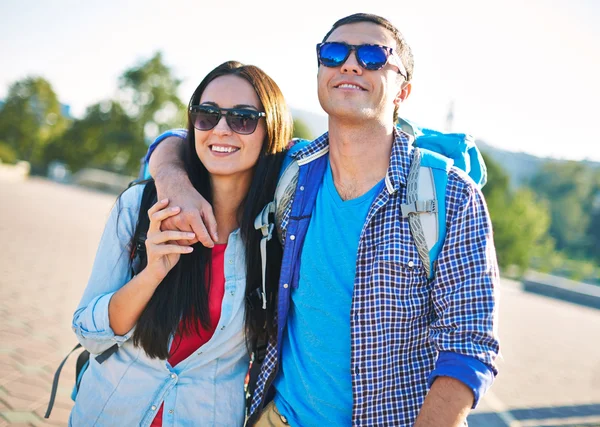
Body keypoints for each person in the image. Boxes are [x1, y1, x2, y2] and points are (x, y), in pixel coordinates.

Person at [146, 13, 500, 427]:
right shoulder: (292, 168)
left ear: (403, 90)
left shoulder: (449, 195)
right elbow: (185, 138)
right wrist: (173, 180)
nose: (350, 64)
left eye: (373, 55)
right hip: (279, 417)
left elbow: (469, 345)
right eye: (333, 53)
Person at [69, 60, 293, 426]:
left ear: (272, 130)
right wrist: (153, 272)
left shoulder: (277, 233)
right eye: (207, 115)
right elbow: (89, 333)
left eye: (242, 118)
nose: (221, 129)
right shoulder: (141, 207)